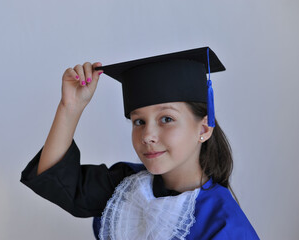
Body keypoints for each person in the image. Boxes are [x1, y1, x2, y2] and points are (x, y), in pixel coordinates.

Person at [20, 47, 259, 239]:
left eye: (167, 119)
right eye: (138, 122)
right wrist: (69, 109)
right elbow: (55, 178)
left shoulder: (223, 224)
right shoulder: (127, 187)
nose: (147, 135)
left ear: (204, 129)